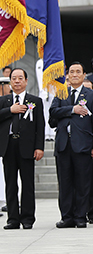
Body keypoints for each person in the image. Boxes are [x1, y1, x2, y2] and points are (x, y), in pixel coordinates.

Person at [50, 62, 93, 228]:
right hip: (63, 145)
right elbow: (53, 113)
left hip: (83, 145)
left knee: (83, 183)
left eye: (77, 72)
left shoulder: (92, 95)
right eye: (71, 72)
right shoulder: (60, 92)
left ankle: (80, 217)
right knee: (65, 183)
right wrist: (72, 109)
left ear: (83, 75)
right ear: (67, 75)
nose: (74, 74)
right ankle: (67, 217)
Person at [0, 68, 45, 229]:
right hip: (8, 146)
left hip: (27, 147)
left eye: (20, 78)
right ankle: (12, 218)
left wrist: (39, 147)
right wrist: (9, 111)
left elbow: (40, 126)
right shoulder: (4, 101)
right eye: (14, 78)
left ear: (26, 81)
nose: (17, 81)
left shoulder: (35, 101)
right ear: (10, 81)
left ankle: (27, 218)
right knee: (10, 184)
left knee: (28, 183)